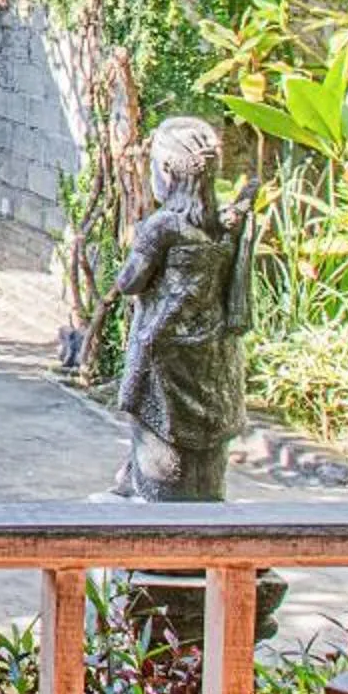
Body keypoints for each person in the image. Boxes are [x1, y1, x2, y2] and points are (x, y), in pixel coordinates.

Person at [110, 117, 256, 501]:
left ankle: (163, 527)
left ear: (166, 171)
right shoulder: (224, 227)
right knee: (206, 448)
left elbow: (130, 282)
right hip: (213, 354)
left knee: (162, 443)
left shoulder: (163, 227)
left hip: (165, 351)